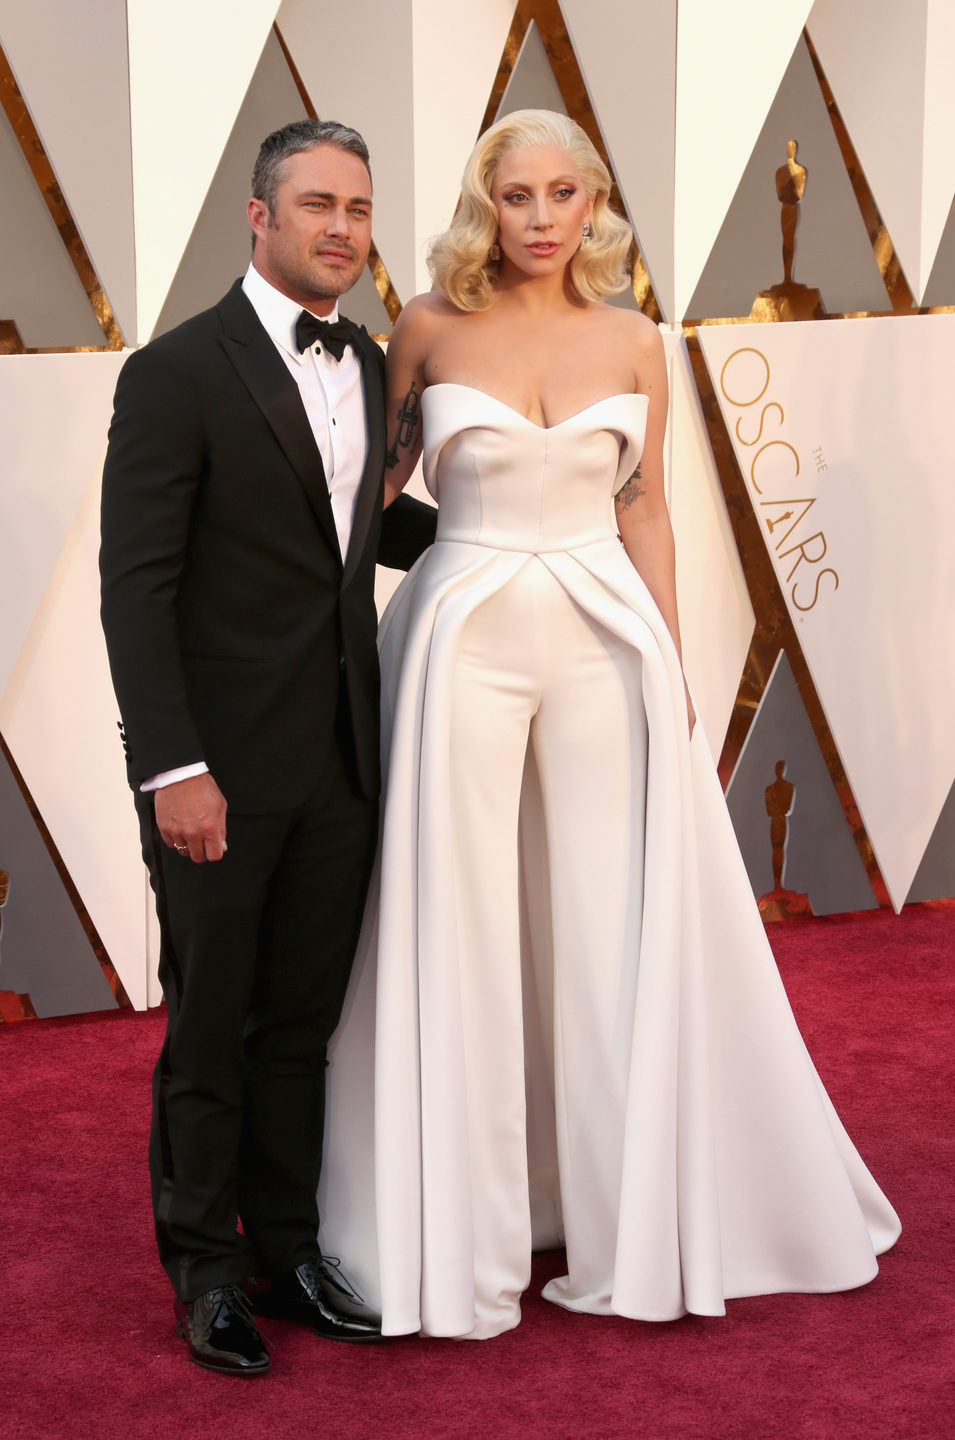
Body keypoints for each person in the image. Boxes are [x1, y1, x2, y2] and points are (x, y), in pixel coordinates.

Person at [318, 109, 900, 1340]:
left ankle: (611, 1213)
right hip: (458, 633)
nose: (540, 218)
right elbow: (365, 502)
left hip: (601, 638)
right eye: (517, 195)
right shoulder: (427, 325)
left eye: (563, 194)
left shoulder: (638, 339)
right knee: (456, 919)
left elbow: (645, 511)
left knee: (602, 921)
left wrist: (675, 663)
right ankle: (454, 1234)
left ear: (594, 206)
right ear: (489, 205)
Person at [99, 119, 435, 1375]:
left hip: (347, 762)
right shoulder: (176, 373)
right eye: (316, 205)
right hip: (219, 776)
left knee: (301, 1026)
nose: (342, 228)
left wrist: (514, 540)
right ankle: (204, 1274)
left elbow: (355, 538)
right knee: (212, 1023)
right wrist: (171, 767)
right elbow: (137, 590)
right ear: (258, 214)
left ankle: (286, 1248)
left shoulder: (378, 362)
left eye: (357, 206)